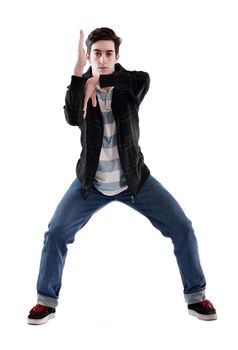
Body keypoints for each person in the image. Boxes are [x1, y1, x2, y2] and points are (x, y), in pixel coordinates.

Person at [27, 27, 217, 325]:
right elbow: (70, 116)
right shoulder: (81, 88)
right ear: (89, 55)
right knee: (56, 233)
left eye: (108, 53)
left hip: (135, 181)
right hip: (91, 184)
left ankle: (196, 297)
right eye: (96, 54)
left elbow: (143, 78)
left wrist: (98, 79)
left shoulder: (130, 85)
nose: (102, 59)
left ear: (117, 56)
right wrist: (79, 74)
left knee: (183, 228)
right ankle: (45, 302)